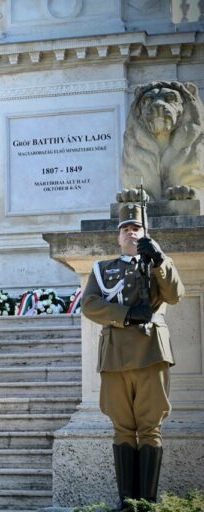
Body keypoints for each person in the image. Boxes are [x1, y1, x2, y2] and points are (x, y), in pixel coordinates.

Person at [82, 203, 184, 510]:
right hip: (115, 357)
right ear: (118, 237)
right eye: (125, 229)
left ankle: (147, 503)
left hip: (151, 353)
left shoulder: (157, 264)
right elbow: (89, 304)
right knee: (123, 427)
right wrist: (126, 315)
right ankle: (128, 502)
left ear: (146, 234)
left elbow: (175, 294)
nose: (130, 232)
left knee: (150, 427)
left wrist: (160, 260)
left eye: (136, 228)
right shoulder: (103, 270)